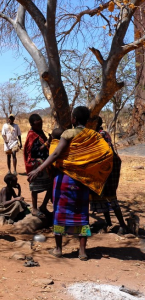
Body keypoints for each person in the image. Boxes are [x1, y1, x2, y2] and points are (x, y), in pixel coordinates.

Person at [28, 106, 113, 261]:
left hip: (65, 180)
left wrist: (38, 169)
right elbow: (107, 153)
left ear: (73, 119)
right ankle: (82, 252)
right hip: (83, 181)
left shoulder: (68, 133)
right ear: (87, 120)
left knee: (60, 212)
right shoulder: (93, 136)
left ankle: (59, 249)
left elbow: (55, 153)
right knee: (82, 214)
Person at [89, 117, 128, 233]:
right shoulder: (97, 134)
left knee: (110, 196)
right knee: (103, 195)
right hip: (104, 168)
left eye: (90, 122)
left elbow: (104, 152)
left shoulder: (101, 134)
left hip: (109, 168)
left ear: (95, 124)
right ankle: (108, 223)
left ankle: (122, 225)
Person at [23, 114, 53, 218]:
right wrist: (47, 143)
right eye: (38, 124)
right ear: (32, 124)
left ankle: (44, 206)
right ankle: (35, 209)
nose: (40, 126)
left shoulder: (40, 133)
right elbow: (34, 151)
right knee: (35, 187)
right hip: (35, 164)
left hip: (44, 163)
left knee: (51, 185)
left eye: (41, 124)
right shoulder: (32, 135)